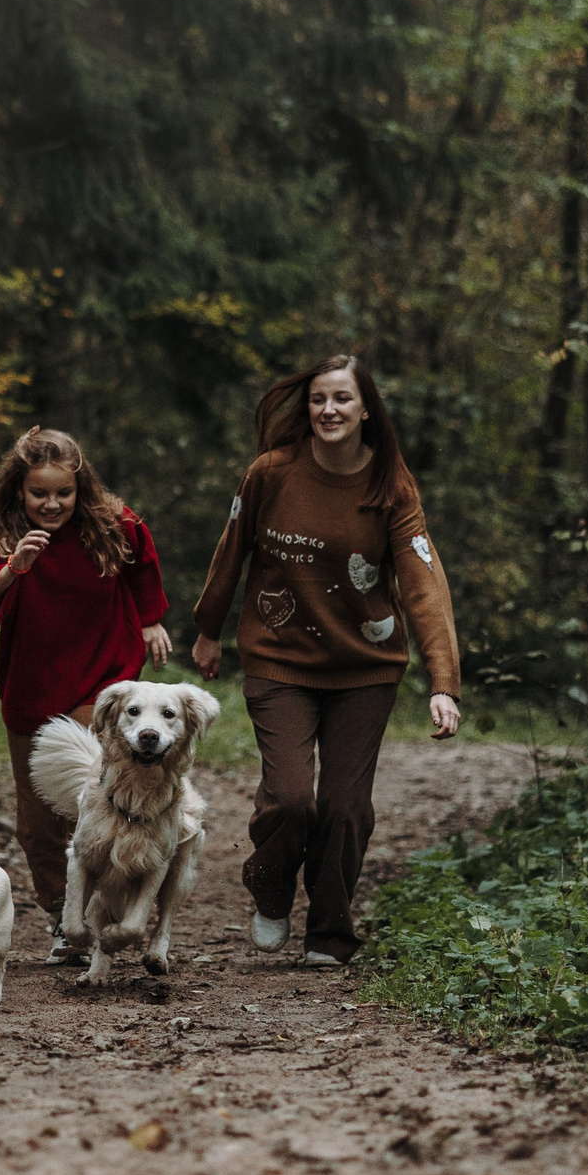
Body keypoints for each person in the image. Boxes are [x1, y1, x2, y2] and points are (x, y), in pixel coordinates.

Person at [189, 353, 462, 968]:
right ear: (305, 407)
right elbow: (231, 552)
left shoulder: (391, 485)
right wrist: (210, 629)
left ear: (366, 408)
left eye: (342, 398)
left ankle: (331, 932)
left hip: (364, 667)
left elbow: (422, 583)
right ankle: (273, 885)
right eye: (318, 399)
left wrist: (443, 681)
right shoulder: (272, 473)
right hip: (279, 659)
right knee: (289, 798)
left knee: (344, 805)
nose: (329, 410)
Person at [0, 427, 170, 965]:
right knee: (36, 826)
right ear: (20, 492)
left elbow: (142, 564)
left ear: (80, 490)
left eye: (63, 493)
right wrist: (13, 570)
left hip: (102, 675)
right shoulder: (6, 535)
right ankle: (65, 917)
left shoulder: (113, 523)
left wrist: (150, 622)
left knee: (90, 804)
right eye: (39, 494)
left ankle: (104, 911)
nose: (51, 504)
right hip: (31, 691)